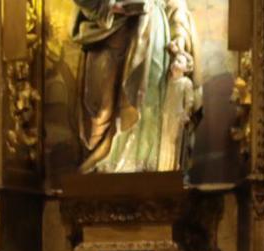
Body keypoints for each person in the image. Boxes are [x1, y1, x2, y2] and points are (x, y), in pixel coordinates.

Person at [72, 0, 199, 173]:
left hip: (151, 33)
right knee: (100, 111)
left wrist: (179, 39)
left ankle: (143, 167)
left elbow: (176, 5)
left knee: (147, 102)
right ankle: (100, 168)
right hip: (104, 31)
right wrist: (113, 7)